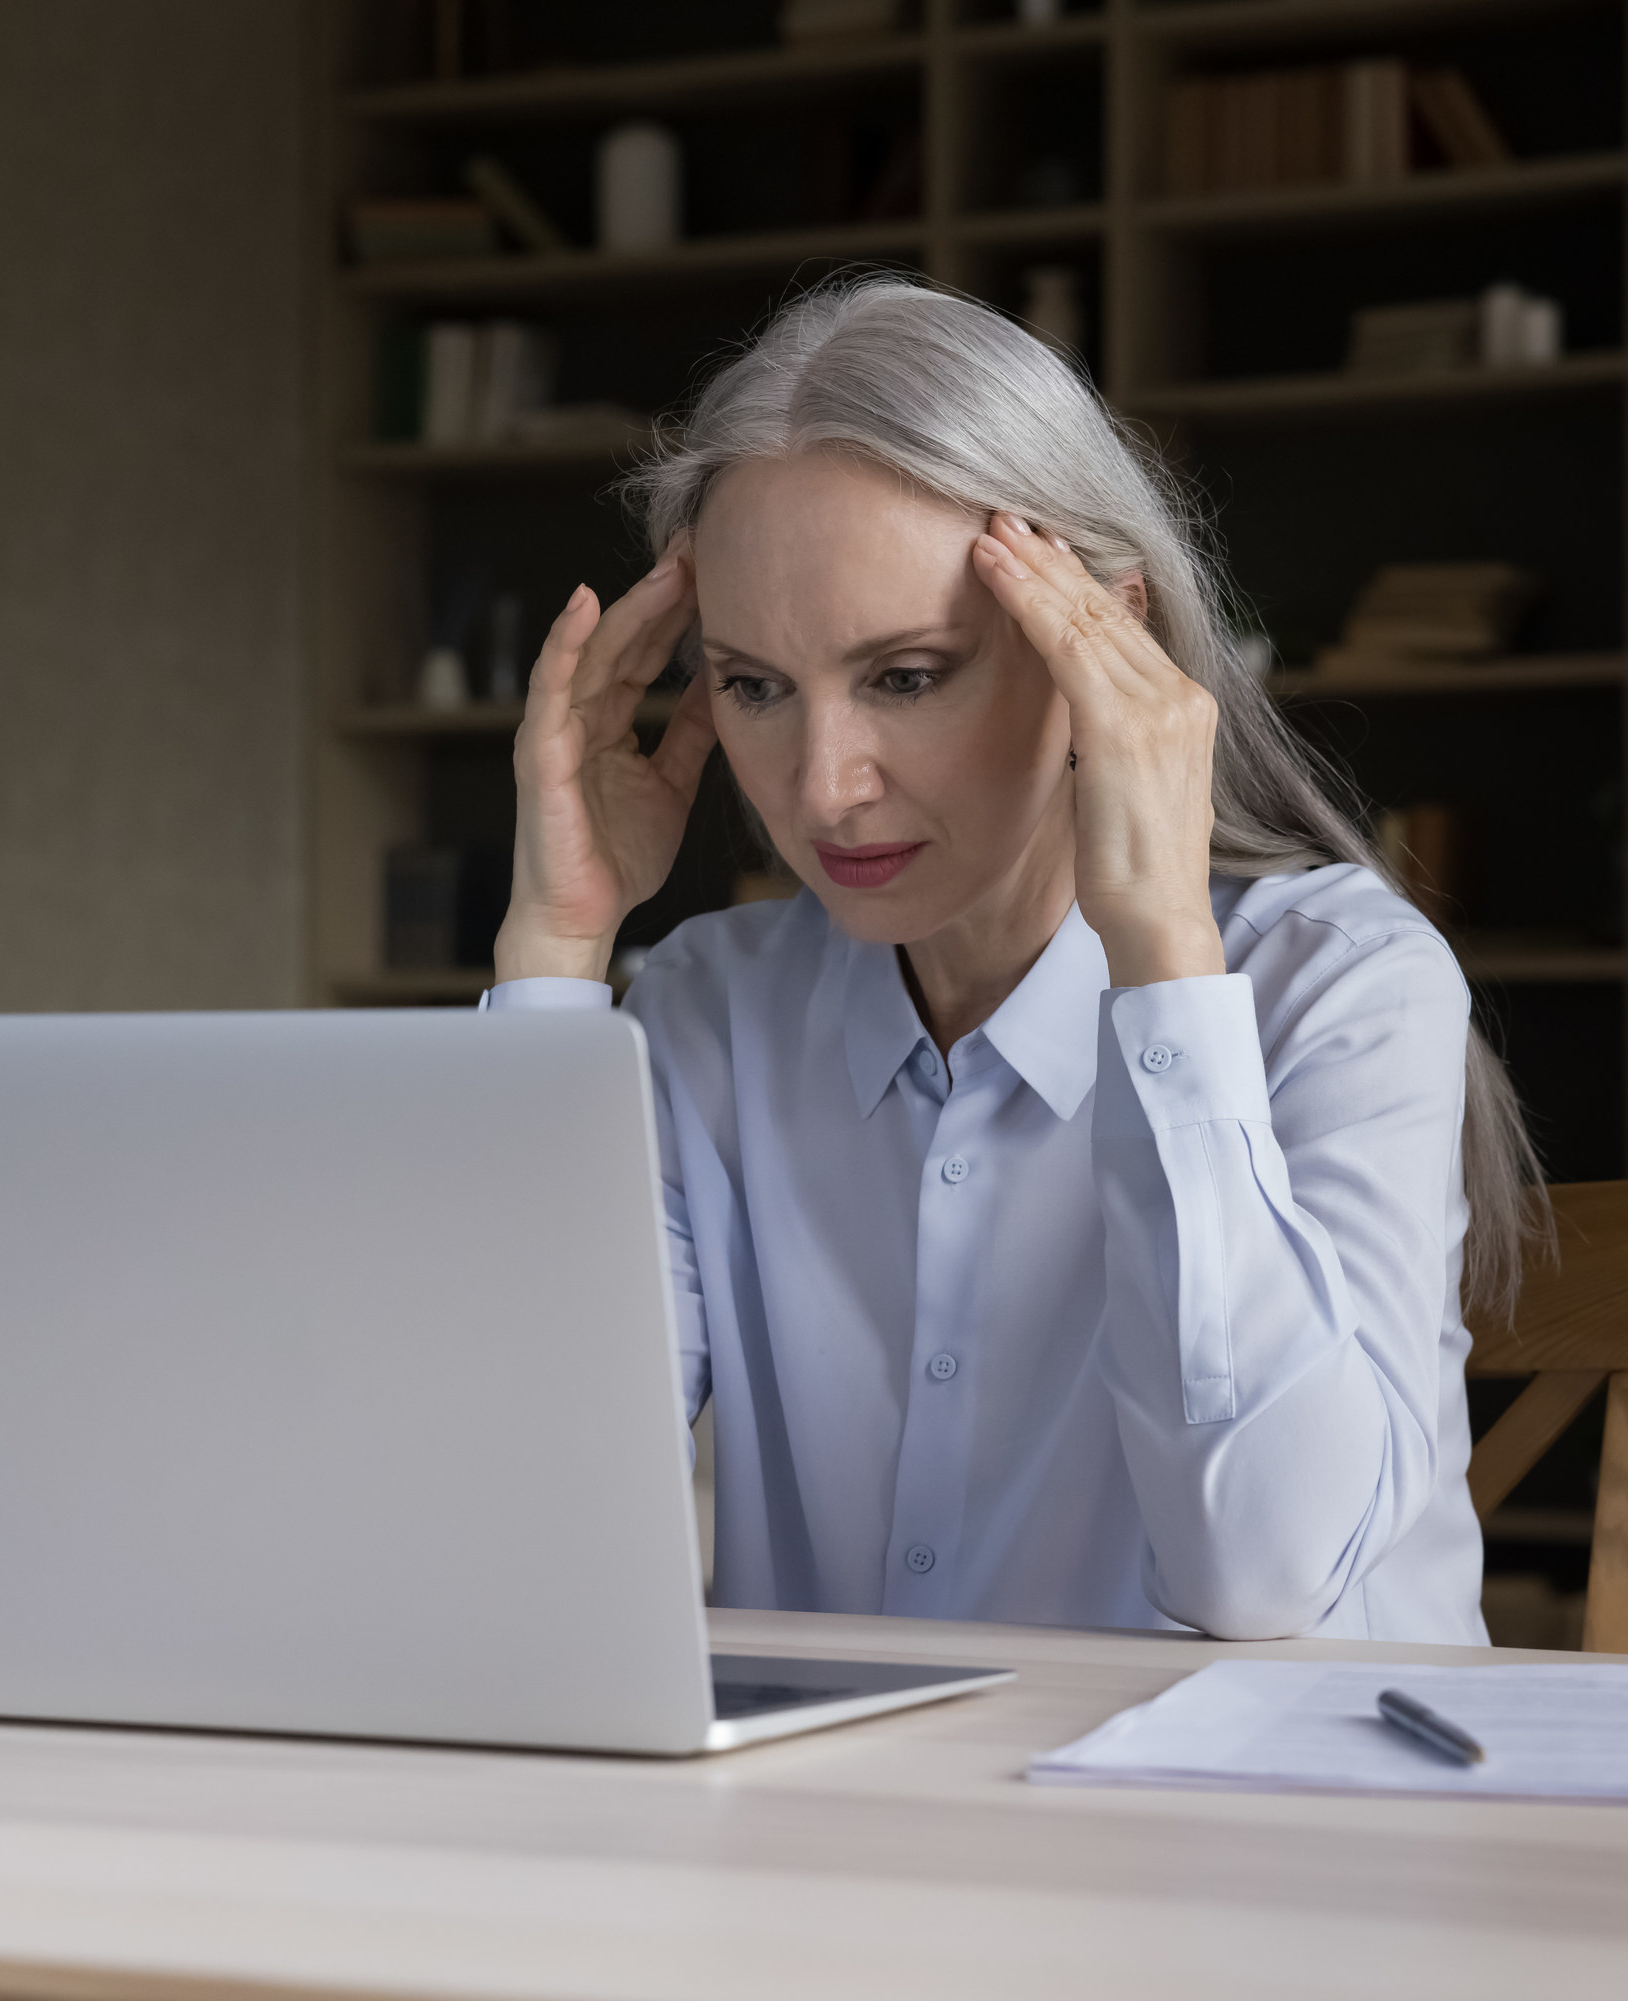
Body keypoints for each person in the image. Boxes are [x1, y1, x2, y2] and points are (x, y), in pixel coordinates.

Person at [484, 276, 1542, 1643]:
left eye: (907, 675)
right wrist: (558, 942)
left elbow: (1267, 1578)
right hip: (849, 1843)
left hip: (1273, 1842)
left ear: (1101, 645)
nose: (822, 788)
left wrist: (1164, 954)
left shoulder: (1342, 986)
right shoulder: (706, 1006)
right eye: (753, 684)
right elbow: (518, 1527)